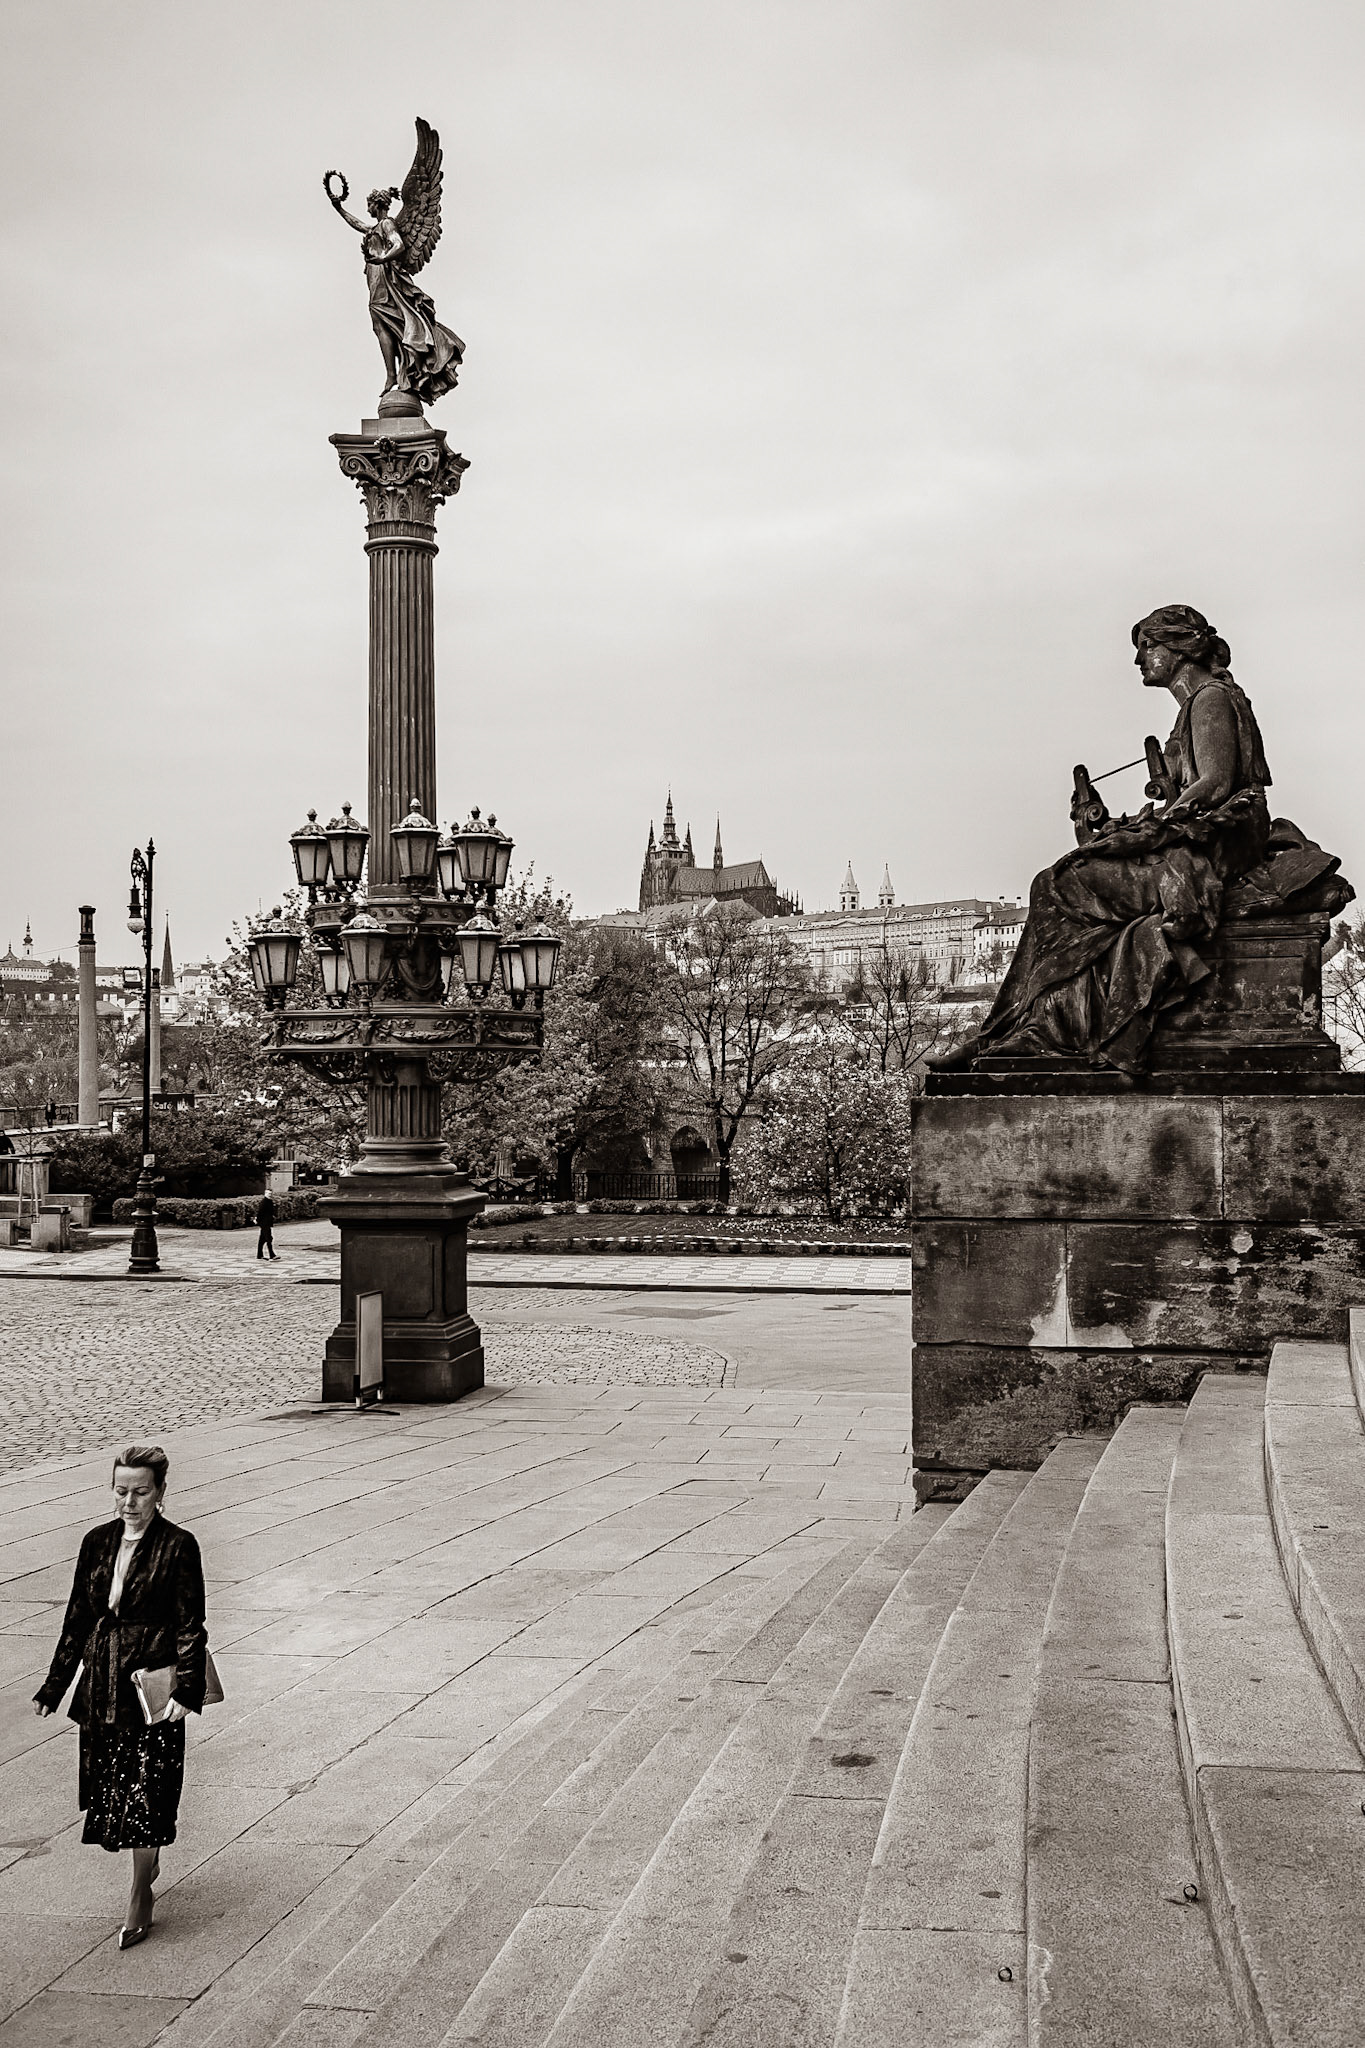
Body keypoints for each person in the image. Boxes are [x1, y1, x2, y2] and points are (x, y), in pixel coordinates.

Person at [939, 605, 1278, 1075]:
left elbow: (1216, 786)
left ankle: (1037, 1032)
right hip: (1199, 840)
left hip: (1212, 850)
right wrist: (1128, 828)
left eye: (1146, 648)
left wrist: (1147, 832)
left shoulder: (1210, 699)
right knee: (1070, 876)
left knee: (1058, 884)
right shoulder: (1198, 704)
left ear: (1178, 648)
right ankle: (1026, 1027)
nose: (1140, 661)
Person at [33, 1446, 208, 1949]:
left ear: (161, 1493)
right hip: (103, 1682)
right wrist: (55, 1684)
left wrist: (187, 1689)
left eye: (140, 1492)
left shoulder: (179, 1545)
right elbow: (77, 1617)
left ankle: (139, 1892)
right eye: (121, 1490)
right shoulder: (96, 1542)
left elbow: (189, 1623)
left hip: (150, 1682)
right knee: (114, 1785)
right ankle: (147, 1861)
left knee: (147, 1787)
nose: (129, 1501)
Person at [256, 1191, 277, 1260]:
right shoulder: (264, 1202)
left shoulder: (269, 1202)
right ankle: (272, 1255)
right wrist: (257, 1220)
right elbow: (260, 1212)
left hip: (267, 1222)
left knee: (262, 1239)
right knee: (269, 1238)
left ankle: (259, 1255)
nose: (270, 1195)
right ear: (265, 1194)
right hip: (264, 1223)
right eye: (268, 1193)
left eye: (271, 1194)